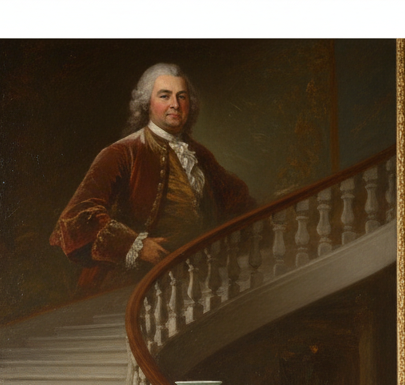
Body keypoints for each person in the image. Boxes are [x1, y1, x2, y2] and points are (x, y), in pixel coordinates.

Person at [50, 63, 256, 295]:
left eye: (182, 97)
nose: (175, 105)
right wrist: (134, 245)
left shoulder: (200, 154)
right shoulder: (122, 152)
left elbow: (238, 201)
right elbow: (75, 216)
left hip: (196, 281)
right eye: (164, 96)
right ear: (147, 103)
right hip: (133, 286)